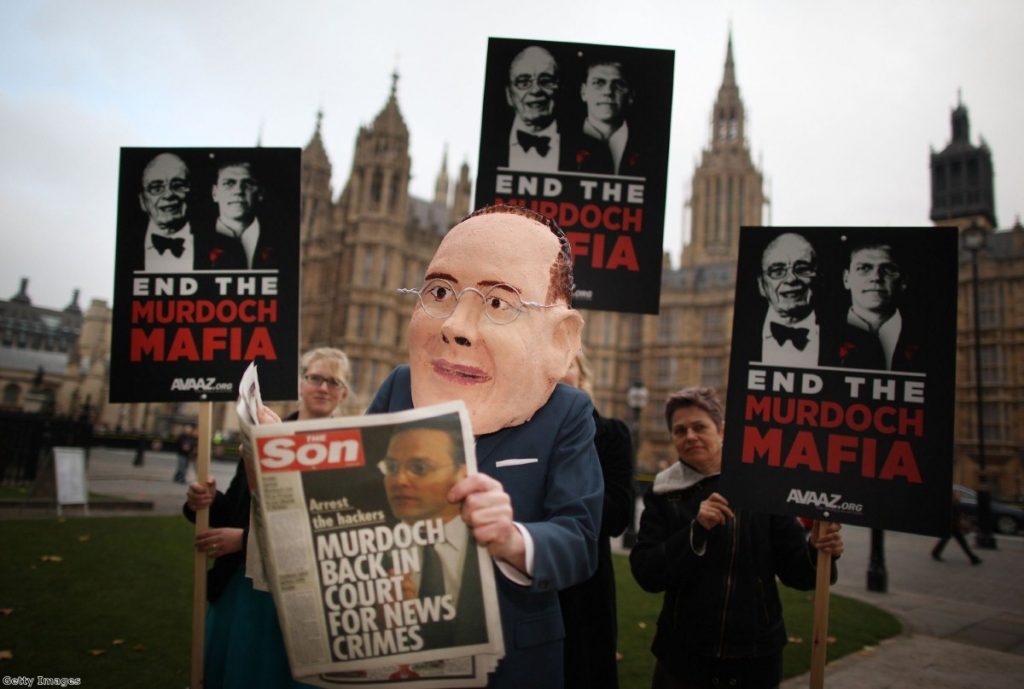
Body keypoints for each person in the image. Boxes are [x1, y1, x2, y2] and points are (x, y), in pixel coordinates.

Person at [370, 204, 603, 689]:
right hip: (396, 645)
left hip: (509, 661)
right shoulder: (399, 387)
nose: (456, 326)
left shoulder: (566, 413)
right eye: (438, 292)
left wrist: (511, 538)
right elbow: (358, 494)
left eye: (498, 303)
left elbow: (579, 541)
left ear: (561, 338)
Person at [630, 387, 844, 689]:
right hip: (684, 656)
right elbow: (647, 573)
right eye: (680, 430)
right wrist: (696, 532)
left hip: (754, 655)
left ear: (722, 431)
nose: (689, 436)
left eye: (699, 427)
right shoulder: (665, 494)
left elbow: (798, 572)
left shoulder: (761, 486)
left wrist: (817, 551)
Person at [183, 347, 351, 689]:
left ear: (343, 394)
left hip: (304, 594)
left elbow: (333, 529)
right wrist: (207, 500)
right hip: (244, 591)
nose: (323, 388)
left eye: (333, 382)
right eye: (316, 378)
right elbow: (237, 508)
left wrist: (244, 541)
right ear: (301, 383)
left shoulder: (349, 447)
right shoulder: (261, 431)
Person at [557, 350, 634, 689]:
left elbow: (617, 517)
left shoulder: (610, 435)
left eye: (566, 364)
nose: (558, 374)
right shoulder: (513, 433)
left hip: (585, 589)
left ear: (583, 376)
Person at [378, 420, 487, 648]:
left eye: (419, 468)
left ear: (462, 473)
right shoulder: (370, 558)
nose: (399, 480)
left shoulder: (492, 539)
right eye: (392, 468)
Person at [836, 241, 924, 371]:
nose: (876, 277)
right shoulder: (820, 335)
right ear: (846, 279)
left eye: (888, 269)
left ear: (903, 281)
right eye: (864, 268)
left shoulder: (927, 339)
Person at [754, 232, 826, 367]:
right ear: (761, 285)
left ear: (818, 278)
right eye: (777, 271)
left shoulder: (856, 341)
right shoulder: (739, 340)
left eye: (802, 269)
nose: (791, 279)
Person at [200, 160, 278, 269]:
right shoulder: (194, 241)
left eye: (247, 184)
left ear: (260, 193)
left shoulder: (281, 242)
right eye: (229, 183)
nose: (238, 191)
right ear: (215, 193)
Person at [503, 45, 569, 172]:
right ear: (509, 95)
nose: (535, 90)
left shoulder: (591, 150)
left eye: (546, 81)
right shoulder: (488, 145)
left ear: (559, 90)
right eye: (523, 82)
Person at [573, 58, 644, 176]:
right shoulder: (558, 142)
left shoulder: (649, 148)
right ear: (583, 92)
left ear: (631, 95)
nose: (608, 91)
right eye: (598, 83)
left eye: (618, 85)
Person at [138, 152, 195, 272]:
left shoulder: (225, 247)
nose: (168, 195)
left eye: (178, 185)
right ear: (142, 201)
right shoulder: (120, 249)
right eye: (156, 188)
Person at [932, 488, 982, 565]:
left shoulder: (955, 504)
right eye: (958, 495)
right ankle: (973, 558)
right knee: (961, 542)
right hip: (953, 527)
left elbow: (959, 515)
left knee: (948, 541)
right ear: (953, 496)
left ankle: (935, 553)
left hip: (953, 527)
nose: (959, 497)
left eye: (959, 495)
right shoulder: (952, 504)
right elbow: (954, 516)